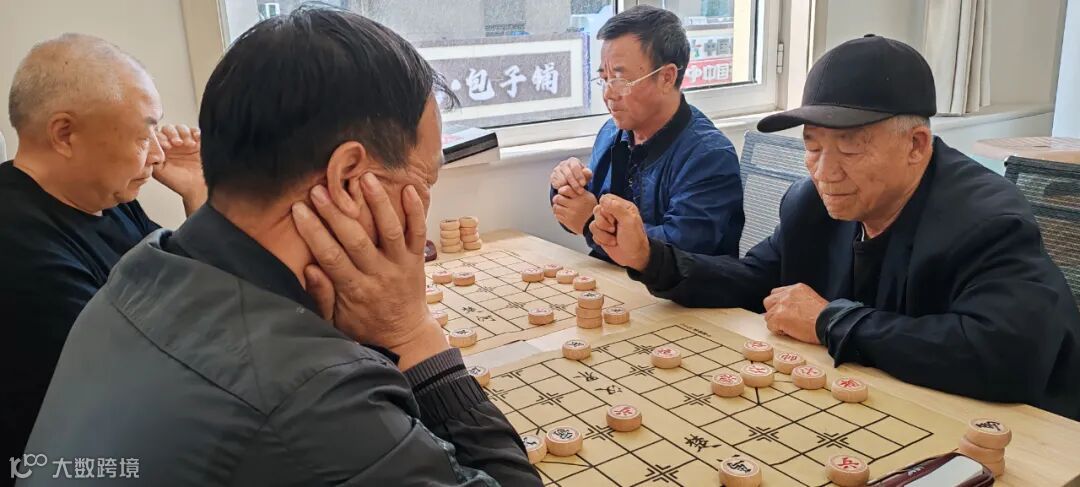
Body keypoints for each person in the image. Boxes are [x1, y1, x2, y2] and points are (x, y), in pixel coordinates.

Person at [22, 8, 540, 486]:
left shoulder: (143, 268)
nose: (423, 209)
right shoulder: (311, 395)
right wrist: (414, 335)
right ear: (349, 179)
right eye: (424, 182)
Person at [589, 34, 1080, 419]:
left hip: (1022, 433)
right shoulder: (812, 203)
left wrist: (831, 321)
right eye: (812, 145)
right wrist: (650, 257)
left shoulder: (987, 220)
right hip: (883, 403)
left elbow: (1008, 355)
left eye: (850, 147)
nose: (825, 171)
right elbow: (756, 279)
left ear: (916, 145)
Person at [1, 33, 206, 468]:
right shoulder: (19, 249)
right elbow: (161, 369)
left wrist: (200, 195)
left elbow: (186, 281)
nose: (157, 155)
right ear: (65, 134)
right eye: (143, 136)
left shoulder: (103, 197)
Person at [549, 5, 744, 261]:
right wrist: (567, 186)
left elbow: (680, 252)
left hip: (680, 287)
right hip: (612, 277)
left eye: (620, 80)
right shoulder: (612, 132)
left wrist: (591, 225)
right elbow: (583, 207)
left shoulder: (710, 156)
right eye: (604, 79)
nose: (608, 94)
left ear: (666, 77)